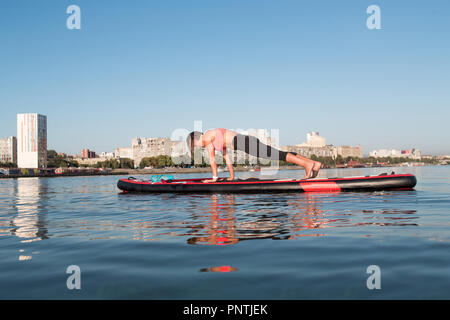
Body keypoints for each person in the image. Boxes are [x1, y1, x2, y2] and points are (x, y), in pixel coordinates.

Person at [186, 128, 322, 182]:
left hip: (244, 142)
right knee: (277, 153)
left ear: (196, 138)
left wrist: (214, 179)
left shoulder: (206, 137)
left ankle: (307, 164)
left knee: (276, 155)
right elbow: (227, 158)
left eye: (195, 145)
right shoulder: (214, 138)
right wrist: (232, 177)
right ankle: (314, 164)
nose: (198, 147)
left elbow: (212, 161)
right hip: (245, 141)